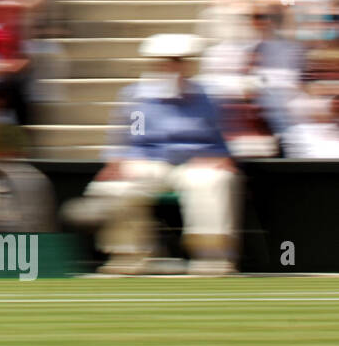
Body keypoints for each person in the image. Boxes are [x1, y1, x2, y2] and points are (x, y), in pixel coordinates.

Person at [63, 34, 242, 275]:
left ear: (188, 64)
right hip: (150, 162)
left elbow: (219, 139)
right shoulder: (136, 98)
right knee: (117, 187)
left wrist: (220, 155)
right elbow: (130, 139)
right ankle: (129, 254)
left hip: (197, 162)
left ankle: (211, 256)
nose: (171, 66)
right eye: (164, 61)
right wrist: (119, 161)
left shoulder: (209, 98)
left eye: (177, 60)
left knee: (212, 181)